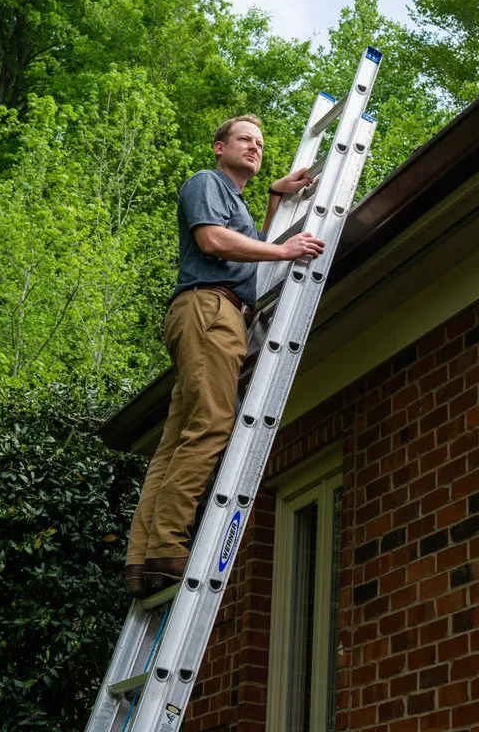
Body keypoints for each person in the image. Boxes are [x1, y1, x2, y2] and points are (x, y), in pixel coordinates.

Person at [124, 114, 325, 597]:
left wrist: (276, 198)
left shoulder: (232, 197)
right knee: (214, 423)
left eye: (259, 142)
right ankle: (170, 544)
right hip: (210, 310)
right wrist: (285, 252)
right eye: (244, 140)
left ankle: (144, 559)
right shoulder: (207, 182)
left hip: (211, 312)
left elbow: (249, 245)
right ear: (219, 147)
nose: (255, 147)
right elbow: (214, 240)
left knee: (175, 443)